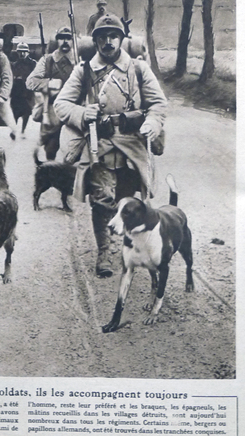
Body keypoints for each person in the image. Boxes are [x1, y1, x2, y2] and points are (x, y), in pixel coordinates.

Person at [54, 14, 167, 278]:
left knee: (126, 200)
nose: (108, 42)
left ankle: (126, 246)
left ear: (121, 39)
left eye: (113, 36)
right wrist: (83, 113)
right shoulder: (83, 70)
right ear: (94, 41)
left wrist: (152, 122)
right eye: (102, 37)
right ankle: (105, 252)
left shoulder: (138, 69)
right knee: (102, 200)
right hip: (101, 145)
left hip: (132, 144)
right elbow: (61, 104)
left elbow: (158, 104)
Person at [26, 26, 76, 160]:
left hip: (74, 110)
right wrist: (49, 82)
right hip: (53, 110)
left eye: (68, 38)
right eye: (61, 38)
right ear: (57, 40)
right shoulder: (47, 60)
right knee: (51, 149)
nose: (65, 41)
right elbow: (30, 82)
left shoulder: (79, 61)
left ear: (73, 40)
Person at [10, 42, 37, 137]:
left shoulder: (32, 63)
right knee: (15, 112)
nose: (22, 54)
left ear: (28, 52)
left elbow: (36, 75)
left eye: (24, 52)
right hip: (17, 91)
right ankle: (14, 130)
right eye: (20, 52)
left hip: (28, 91)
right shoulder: (15, 64)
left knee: (27, 112)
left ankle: (22, 130)